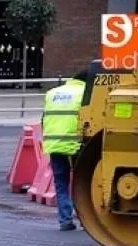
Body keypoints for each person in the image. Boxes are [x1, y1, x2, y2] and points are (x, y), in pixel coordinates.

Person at [41, 71, 86, 231]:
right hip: (77, 144)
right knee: (82, 183)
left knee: (61, 183)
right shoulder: (86, 93)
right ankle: (86, 221)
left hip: (55, 144)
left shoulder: (52, 93)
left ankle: (65, 220)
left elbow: (43, 119)